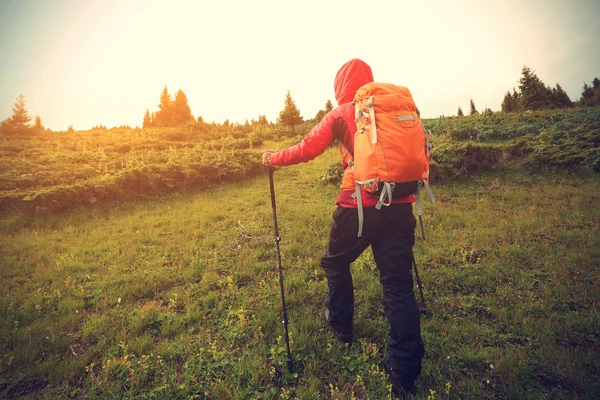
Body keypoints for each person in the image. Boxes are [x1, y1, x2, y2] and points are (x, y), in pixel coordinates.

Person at [262, 58, 425, 397]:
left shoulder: (339, 115)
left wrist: (274, 158)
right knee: (397, 285)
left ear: (339, 86)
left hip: (358, 205)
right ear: (369, 81)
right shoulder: (390, 107)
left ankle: (341, 326)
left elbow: (307, 148)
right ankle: (404, 372)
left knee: (335, 262)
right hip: (400, 203)